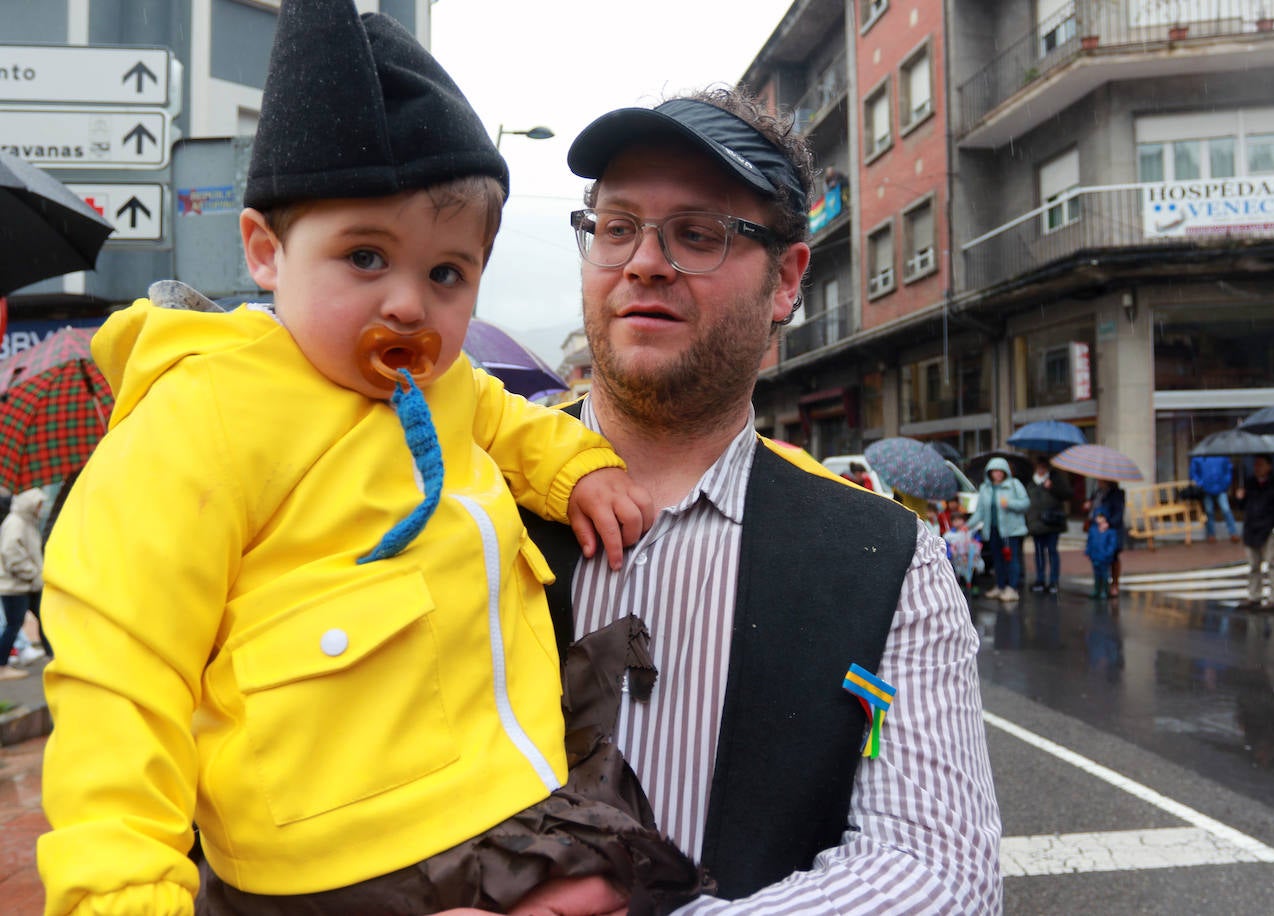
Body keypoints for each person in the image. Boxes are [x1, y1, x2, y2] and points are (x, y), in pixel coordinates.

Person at [36, 3, 676, 914]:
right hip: (328, 869)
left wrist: (579, 467)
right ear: (265, 250)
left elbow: (513, 422)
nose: (410, 304)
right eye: (364, 256)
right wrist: (123, 892)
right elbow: (119, 670)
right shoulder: (202, 415)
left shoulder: (448, 387)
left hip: (507, 807)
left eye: (447, 273)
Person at [518, 89, 1002, 912]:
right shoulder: (461, 497)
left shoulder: (884, 558)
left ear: (786, 279)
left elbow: (938, 869)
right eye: (616, 226)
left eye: (698, 234)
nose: (643, 261)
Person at [0, 488, 48, 682]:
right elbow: (11, 554)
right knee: (13, 625)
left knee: (44, 618)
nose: (41, 508)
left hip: (27, 585)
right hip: (16, 586)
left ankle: (54, 656)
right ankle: (1, 665)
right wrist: (33, 573)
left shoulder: (27, 522)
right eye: (38, 504)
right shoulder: (16, 523)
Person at [968, 457, 1030, 603]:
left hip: (1011, 530)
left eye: (1000, 471)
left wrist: (1009, 503)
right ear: (990, 473)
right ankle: (1000, 585)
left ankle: (1012, 588)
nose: (998, 474)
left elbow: (1026, 503)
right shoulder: (985, 488)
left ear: (1005, 472)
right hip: (993, 530)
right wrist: (968, 525)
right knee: (997, 559)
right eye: (994, 471)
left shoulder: (1014, 485)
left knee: (1011, 558)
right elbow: (980, 512)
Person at [1235, 454, 1274, 610]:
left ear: (1269, 466)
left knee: (1272, 564)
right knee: (1253, 565)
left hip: (1268, 528)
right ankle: (1254, 595)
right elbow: (1243, 507)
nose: (1257, 468)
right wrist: (1240, 498)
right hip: (1252, 529)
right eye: (1256, 465)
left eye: (1261, 465)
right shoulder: (1250, 483)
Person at [1026, 458, 1072, 595]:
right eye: (1039, 467)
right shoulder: (1031, 482)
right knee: (1039, 553)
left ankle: (1053, 581)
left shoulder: (1055, 479)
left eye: (1043, 467)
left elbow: (1067, 494)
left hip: (1052, 523)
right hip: (1036, 524)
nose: (1041, 470)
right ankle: (1040, 580)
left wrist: (1052, 487)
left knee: (1052, 552)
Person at [1083, 479, 1126, 597]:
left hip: (1111, 529)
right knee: (1098, 561)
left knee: (1113, 556)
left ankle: (1114, 584)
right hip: (1097, 529)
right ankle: (1100, 586)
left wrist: (1109, 523)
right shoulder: (1097, 492)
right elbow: (1094, 509)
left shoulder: (1116, 494)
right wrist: (1089, 504)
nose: (1098, 481)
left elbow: (1119, 512)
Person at [1189, 452, 1239, 543]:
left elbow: (1228, 470)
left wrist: (1225, 483)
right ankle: (1211, 534)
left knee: (1225, 510)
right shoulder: (1199, 457)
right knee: (1209, 511)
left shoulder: (1221, 456)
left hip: (1220, 488)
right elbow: (1193, 473)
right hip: (1207, 489)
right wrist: (1201, 483)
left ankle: (1233, 533)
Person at [944, 511, 984, 592]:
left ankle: (975, 586)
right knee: (960, 572)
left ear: (964, 520)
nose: (957, 522)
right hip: (958, 559)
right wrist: (950, 555)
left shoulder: (971, 531)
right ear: (951, 522)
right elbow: (947, 546)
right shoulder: (949, 535)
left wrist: (975, 544)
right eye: (955, 520)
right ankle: (961, 586)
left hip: (972, 557)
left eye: (959, 520)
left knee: (973, 571)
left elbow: (978, 541)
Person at [1085, 512, 1119, 599]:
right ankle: (1097, 589)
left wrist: (1107, 554)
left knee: (1104, 574)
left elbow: (1112, 545)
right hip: (1095, 556)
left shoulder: (1110, 532)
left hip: (1104, 557)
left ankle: (1104, 590)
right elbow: (1090, 542)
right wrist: (1088, 552)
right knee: (1096, 574)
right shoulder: (1093, 530)